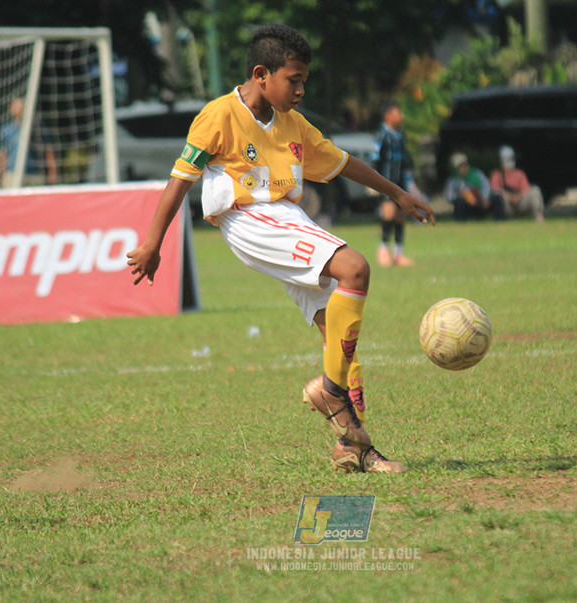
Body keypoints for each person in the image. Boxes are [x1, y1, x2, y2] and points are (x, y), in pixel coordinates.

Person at [126, 24, 436, 474]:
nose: (301, 90)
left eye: (304, 81)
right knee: (356, 269)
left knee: (339, 338)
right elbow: (180, 182)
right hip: (250, 218)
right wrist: (153, 244)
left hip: (289, 220)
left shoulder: (293, 124)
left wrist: (397, 194)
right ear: (261, 74)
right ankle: (330, 391)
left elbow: (342, 162)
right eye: (294, 80)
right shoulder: (218, 116)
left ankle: (353, 447)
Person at [373, 99, 416, 267]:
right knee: (388, 214)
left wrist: (409, 180)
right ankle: (383, 250)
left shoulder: (401, 135)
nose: (402, 116)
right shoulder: (382, 135)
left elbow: (405, 161)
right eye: (398, 112)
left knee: (400, 216)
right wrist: (374, 183)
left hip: (401, 184)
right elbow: (375, 159)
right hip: (386, 184)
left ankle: (398, 254)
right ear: (388, 115)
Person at [0, 97, 57, 188]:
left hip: (34, 174)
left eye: (21, 104)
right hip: (12, 174)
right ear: (10, 109)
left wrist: (52, 170)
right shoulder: (6, 130)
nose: (19, 107)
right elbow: (2, 153)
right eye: (16, 105)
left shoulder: (37, 127)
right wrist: (2, 174)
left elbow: (48, 149)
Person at [490, 145, 545, 222]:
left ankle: (539, 216)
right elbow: (495, 190)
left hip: (521, 203)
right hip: (507, 205)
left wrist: (518, 197)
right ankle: (501, 219)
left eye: (511, 158)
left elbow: (525, 189)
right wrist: (509, 197)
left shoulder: (520, 173)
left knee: (535, 190)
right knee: (498, 196)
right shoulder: (496, 175)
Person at [445, 152, 503, 221]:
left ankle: (500, 220)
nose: (463, 168)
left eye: (464, 165)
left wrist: (485, 197)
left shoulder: (476, 173)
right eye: (460, 166)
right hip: (467, 205)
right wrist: (460, 195)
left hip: (481, 201)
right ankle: (460, 222)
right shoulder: (452, 180)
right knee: (458, 203)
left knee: (497, 198)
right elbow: (449, 196)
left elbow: (486, 185)